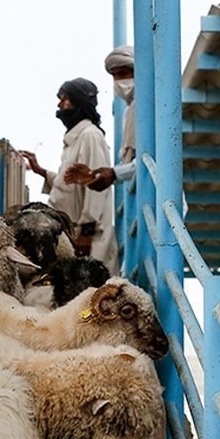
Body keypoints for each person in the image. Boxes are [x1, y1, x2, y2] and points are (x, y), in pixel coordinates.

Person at [20, 78, 118, 273]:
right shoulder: (75, 140)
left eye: (64, 99)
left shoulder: (90, 136)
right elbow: (69, 185)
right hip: (73, 235)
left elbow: (96, 189)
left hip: (88, 239)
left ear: (78, 102)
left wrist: (86, 233)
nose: (59, 105)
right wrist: (41, 171)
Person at [67, 45, 136, 193]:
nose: (118, 80)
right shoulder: (129, 111)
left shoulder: (152, 106)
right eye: (114, 75)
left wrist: (114, 174)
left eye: (123, 73)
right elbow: (133, 164)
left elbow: (152, 159)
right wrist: (96, 175)